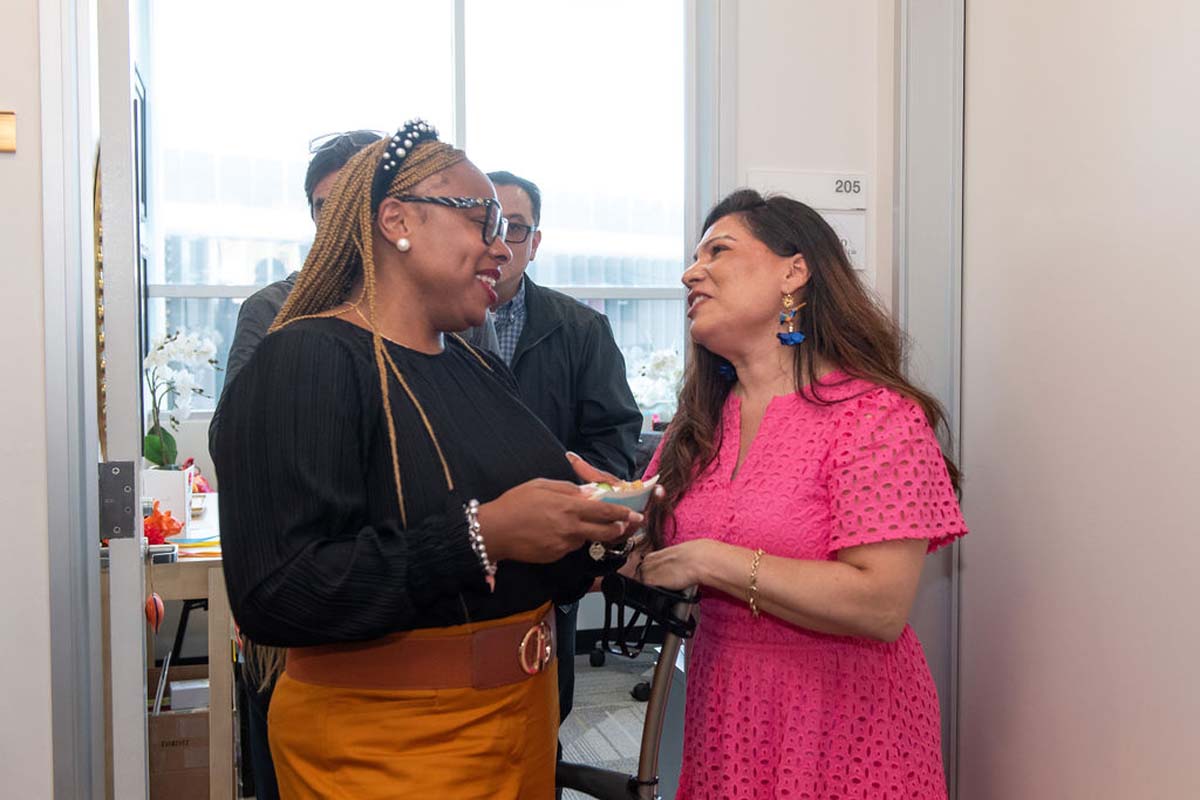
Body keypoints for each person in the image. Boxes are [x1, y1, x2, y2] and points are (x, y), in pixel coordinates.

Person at [211, 120, 640, 799]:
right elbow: (279, 593)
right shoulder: (308, 360)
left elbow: (526, 564)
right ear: (395, 220)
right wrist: (484, 533)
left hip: (519, 729)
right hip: (391, 747)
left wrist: (599, 529)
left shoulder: (472, 366)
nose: (501, 248)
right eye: (482, 221)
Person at [635, 189, 969, 799]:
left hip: (849, 724)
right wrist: (602, 519)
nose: (691, 272)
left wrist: (712, 559)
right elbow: (653, 552)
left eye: (718, 250)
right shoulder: (700, 422)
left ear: (794, 271)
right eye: (693, 257)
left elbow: (880, 606)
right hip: (726, 720)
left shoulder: (874, 415)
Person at [486, 170, 641, 739]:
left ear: (536, 242)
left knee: (546, 709)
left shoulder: (580, 329)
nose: (500, 243)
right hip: (459, 548)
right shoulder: (437, 326)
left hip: (551, 548)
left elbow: (615, 435)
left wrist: (576, 509)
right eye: (486, 224)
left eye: (516, 228)